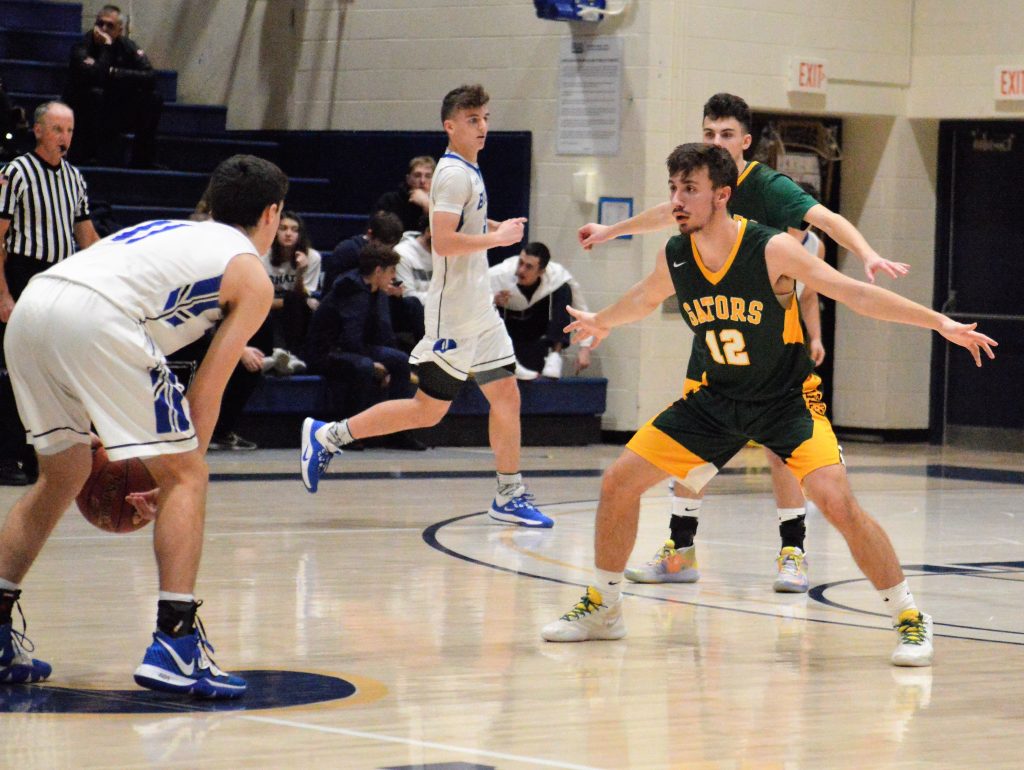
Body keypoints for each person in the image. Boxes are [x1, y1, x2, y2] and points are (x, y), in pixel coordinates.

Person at [541, 143, 996, 668]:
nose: (677, 201)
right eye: (673, 189)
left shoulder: (771, 248)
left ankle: (910, 616)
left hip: (786, 401)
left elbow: (854, 293)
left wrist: (940, 323)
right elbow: (644, 298)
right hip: (716, 399)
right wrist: (602, 321)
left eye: (689, 189)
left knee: (837, 502)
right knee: (618, 482)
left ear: (722, 195)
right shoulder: (677, 254)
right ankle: (605, 607)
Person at [577, 93, 910, 592]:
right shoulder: (694, 193)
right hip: (717, 334)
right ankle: (680, 548)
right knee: (688, 450)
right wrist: (612, 232)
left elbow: (825, 220)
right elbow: (665, 215)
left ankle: (793, 550)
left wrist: (867, 252)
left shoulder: (769, 188)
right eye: (709, 133)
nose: (716, 142)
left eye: (726, 134)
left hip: (769, 328)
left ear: (746, 142)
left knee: (783, 449)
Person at [0, 153, 287, 696]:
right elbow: (207, 389)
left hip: (36, 305)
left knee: (62, 475)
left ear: (212, 202)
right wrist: (176, 473)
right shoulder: (251, 273)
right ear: (272, 213)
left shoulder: (170, 230)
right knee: (188, 475)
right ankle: (175, 644)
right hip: (99, 318)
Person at [300, 84, 552, 528]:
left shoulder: (468, 169)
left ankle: (509, 495)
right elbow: (445, 241)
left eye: (486, 118)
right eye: (473, 120)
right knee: (427, 410)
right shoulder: (452, 174)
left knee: (506, 395)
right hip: (454, 313)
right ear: (450, 126)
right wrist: (497, 238)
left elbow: (463, 222)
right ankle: (329, 435)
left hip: (479, 312)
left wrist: (495, 225)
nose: (483, 127)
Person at [0, 102, 100, 486]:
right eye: (57, 129)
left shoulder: (75, 178)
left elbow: (86, 235)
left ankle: (36, 455)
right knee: (14, 370)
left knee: (50, 372)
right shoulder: (16, 173)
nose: (65, 137)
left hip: (60, 279)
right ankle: (6, 454)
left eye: (70, 130)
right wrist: (4, 294)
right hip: (22, 274)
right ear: (38, 131)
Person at [305, 243, 422, 450]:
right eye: (391, 271)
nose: (394, 276)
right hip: (327, 351)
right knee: (364, 366)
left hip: (355, 347)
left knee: (400, 360)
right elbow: (349, 337)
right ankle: (345, 433)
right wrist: (376, 364)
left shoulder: (377, 291)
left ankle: (398, 432)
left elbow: (383, 332)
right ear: (378, 271)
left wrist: (387, 363)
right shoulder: (351, 289)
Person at [62, 4, 163, 168]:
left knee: (153, 98)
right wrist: (107, 48)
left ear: (119, 30)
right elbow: (95, 76)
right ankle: (89, 156)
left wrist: (116, 72)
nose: (103, 29)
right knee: (95, 94)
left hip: (116, 106)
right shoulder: (83, 45)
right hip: (85, 108)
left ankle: (142, 159)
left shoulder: (127, 46)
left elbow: (150, 76)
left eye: (110, 25)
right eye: (100, 23)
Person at [489, 241, 592, 379]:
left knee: (564, 289)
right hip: (508, 325)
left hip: (536, 326)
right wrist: (492, 299)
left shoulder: (557, 274)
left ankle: (555, 355)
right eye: (520, 263)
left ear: (542, 271)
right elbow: (470, 301)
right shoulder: (499, 274)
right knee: (487, 307)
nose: (521, 270)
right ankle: (503, 359)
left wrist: (585, 348)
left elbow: (581, 311)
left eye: (528, 267)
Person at [258, 210, 320, 374]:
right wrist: (284, 302)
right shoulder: (262, 255)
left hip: (294, 304)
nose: (288, 234)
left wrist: (300, 273)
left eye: (294, 230)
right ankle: (280, 354)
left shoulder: (312, 257)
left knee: (300, 304)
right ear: (275, 231)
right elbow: (258, 299)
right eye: (283, 228)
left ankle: (289, 355)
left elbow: (302, 297)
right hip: (266, 302)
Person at [321, 210, 403, 294]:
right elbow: (334, 289)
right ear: (370, 234)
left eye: (391, 247)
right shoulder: (347, 251)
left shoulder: (387, 255)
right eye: (381, 245)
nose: (387, 251)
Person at [375, 155, 436, 232]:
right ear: (408, 179)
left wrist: (426, 204)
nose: (422, 181)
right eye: (417, 175)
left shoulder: (444, 202)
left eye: (428, 176)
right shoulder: (389, 201)